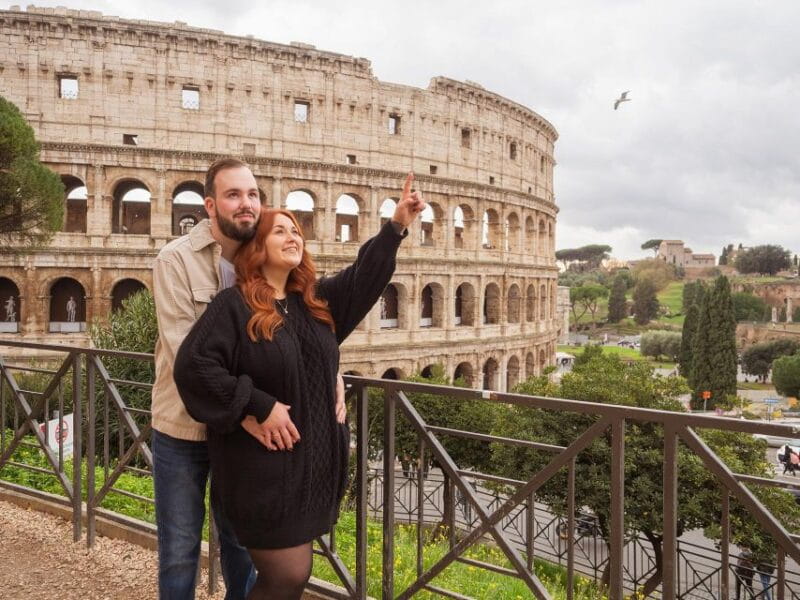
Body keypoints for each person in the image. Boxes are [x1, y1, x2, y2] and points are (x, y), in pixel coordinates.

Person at [173, 173, 424, 599]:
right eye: (280, 231)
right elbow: (194, 366)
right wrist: (257, 404)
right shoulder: (235, 305)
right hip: (263, 471)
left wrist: (396, 226)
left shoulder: (315, 303)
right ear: (258, 248)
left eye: (295, 231)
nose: (293, 237)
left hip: (309, 472)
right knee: (287, 576)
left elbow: (365, 277)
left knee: (292, 577)